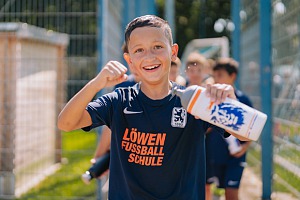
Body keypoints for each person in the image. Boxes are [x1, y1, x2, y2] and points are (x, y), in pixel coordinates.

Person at [58, 15, 248, 200]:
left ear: (173, 52)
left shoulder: (194, 102)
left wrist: (231, 104)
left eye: (157, 47)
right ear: (129, 59)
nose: (149, 57)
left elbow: (245, 134)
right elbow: (66, 123)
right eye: (139, 50)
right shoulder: (118, 100)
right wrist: (96, 84)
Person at [206, 57, 253, 200]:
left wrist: (245, 147)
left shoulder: (242, 100)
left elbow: (251, 129)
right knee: (205, 190)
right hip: (213, 154)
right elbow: (203, 129)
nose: (216, 79)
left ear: (233, 76)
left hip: (234, 158)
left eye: (220, 75)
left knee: (231, 193)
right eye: (214, 76)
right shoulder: (208, 99)